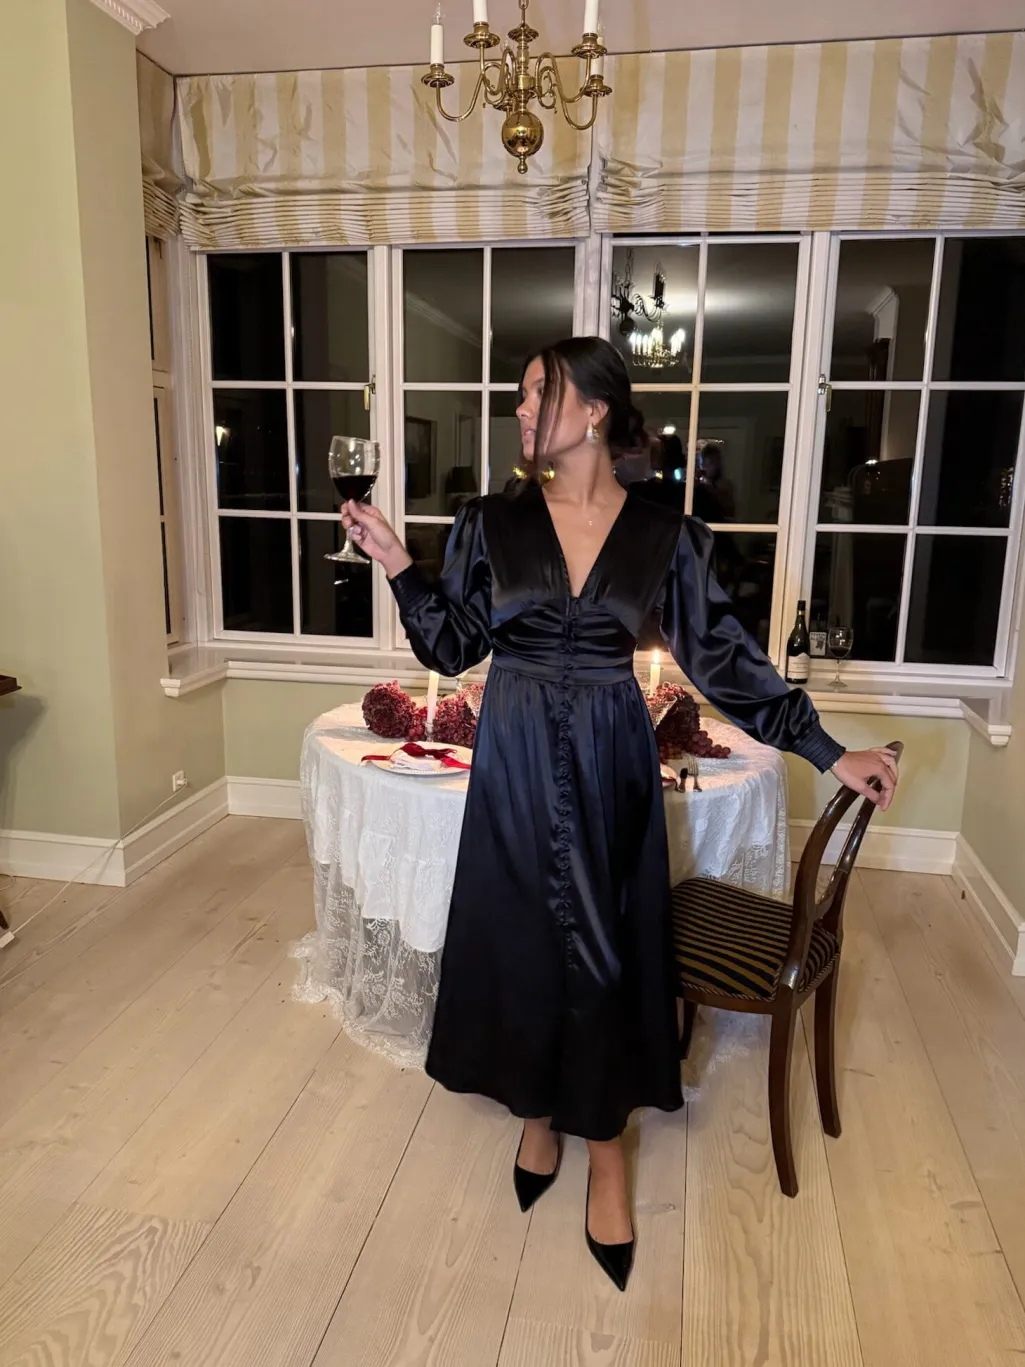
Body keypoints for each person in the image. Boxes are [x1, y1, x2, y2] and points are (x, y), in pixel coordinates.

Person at [341, 337, 899, 1292]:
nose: (520, 410)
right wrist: (397, 562)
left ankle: (604, 1152)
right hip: (514, 757)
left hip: (609, 761)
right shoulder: (490, 522)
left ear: (594, 410)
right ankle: (534, 1114)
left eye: (537, 393)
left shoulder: (664, 536)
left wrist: (824, 747)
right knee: (522, 940)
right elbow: (451, 644)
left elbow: (726, 661)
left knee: (603, 957)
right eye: (520, 396)